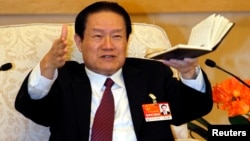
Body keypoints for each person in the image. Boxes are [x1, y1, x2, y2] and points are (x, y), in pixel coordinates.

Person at [15, 1, 213, 141]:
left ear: (127, 40)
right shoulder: (65, 78)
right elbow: (36, 111)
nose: (108, 45)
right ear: (79, 42)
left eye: (117, 36)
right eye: (98, 36)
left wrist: (189, 73)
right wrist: (46, 69)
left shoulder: (152, 74)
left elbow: (188, 110)